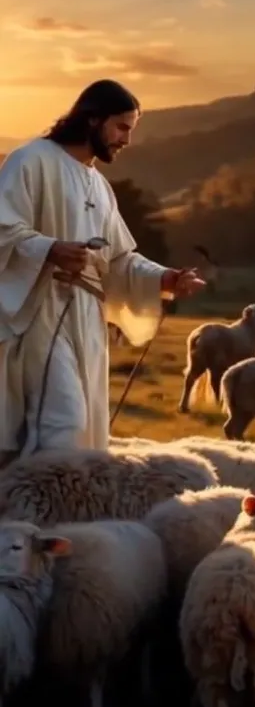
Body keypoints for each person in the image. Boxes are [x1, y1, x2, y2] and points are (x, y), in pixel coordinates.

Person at [0, 79, 205, 463]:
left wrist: (164, 278)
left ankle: (59, 517)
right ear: (92, 120)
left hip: (87, 321)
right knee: (62, 422)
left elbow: (118, 259)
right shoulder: (32, 160)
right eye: (121, 127)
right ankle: (33, 517)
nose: (126, 139)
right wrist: (51, 249)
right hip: (42, 313)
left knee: (83, 430)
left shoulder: (98, 184)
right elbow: (3, 229)